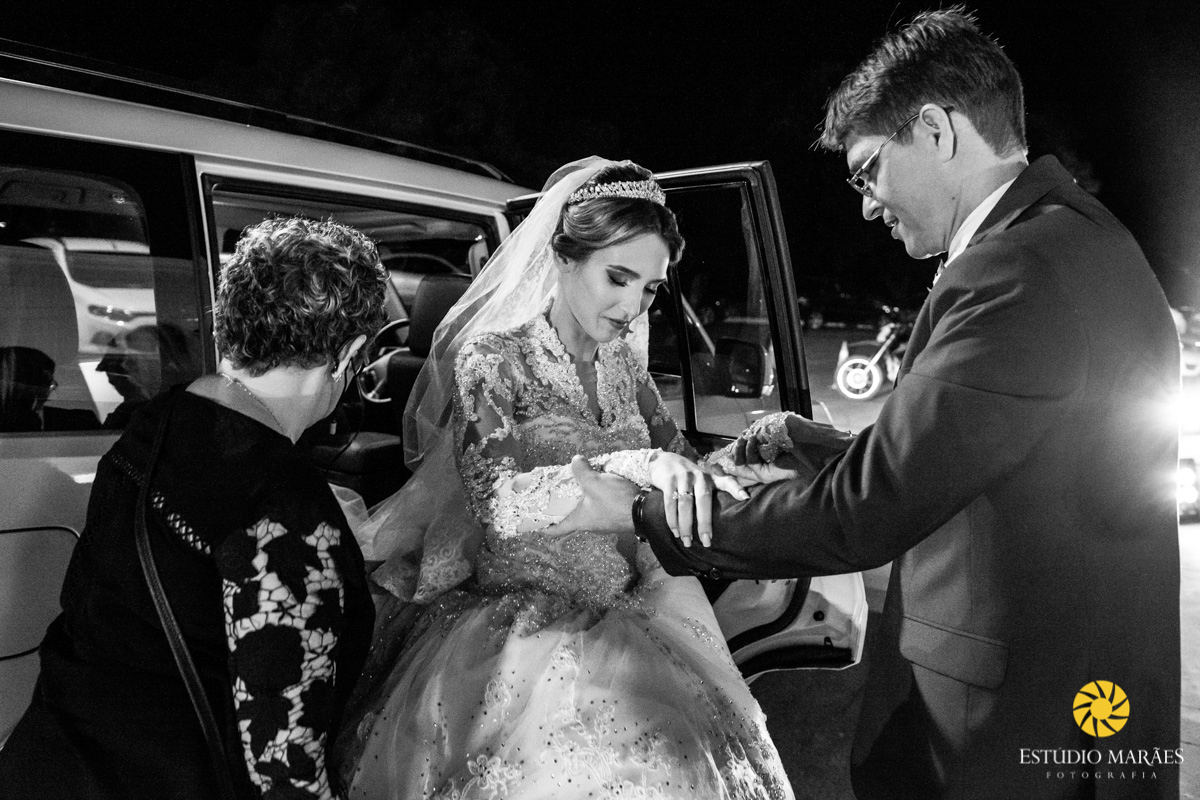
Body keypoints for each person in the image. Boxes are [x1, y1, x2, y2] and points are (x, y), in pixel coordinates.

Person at [577, 9, 1182, 800]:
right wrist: (817, 445)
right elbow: (985, 446)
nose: (867, 205)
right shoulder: (1074, 238)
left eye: (868, 172)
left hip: (1008, 730)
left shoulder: (1013, 270)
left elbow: (868, 510)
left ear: (935, 130)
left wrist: (660, 516)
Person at [334, 158, 795, 799]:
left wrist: (750, 452)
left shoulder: (626, 368)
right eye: (618, 278)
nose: (633, 307)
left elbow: (678, 462)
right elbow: (497, 503)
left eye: (651, 289)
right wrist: (632, 465)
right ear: (563, 258)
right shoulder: (494, 361)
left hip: (628, 607)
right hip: (522, 629)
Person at [0, 216, 387, 799]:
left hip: (45, 763)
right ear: (349, 353)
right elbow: (285, 770)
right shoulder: (287, 510)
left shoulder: (153, 425)